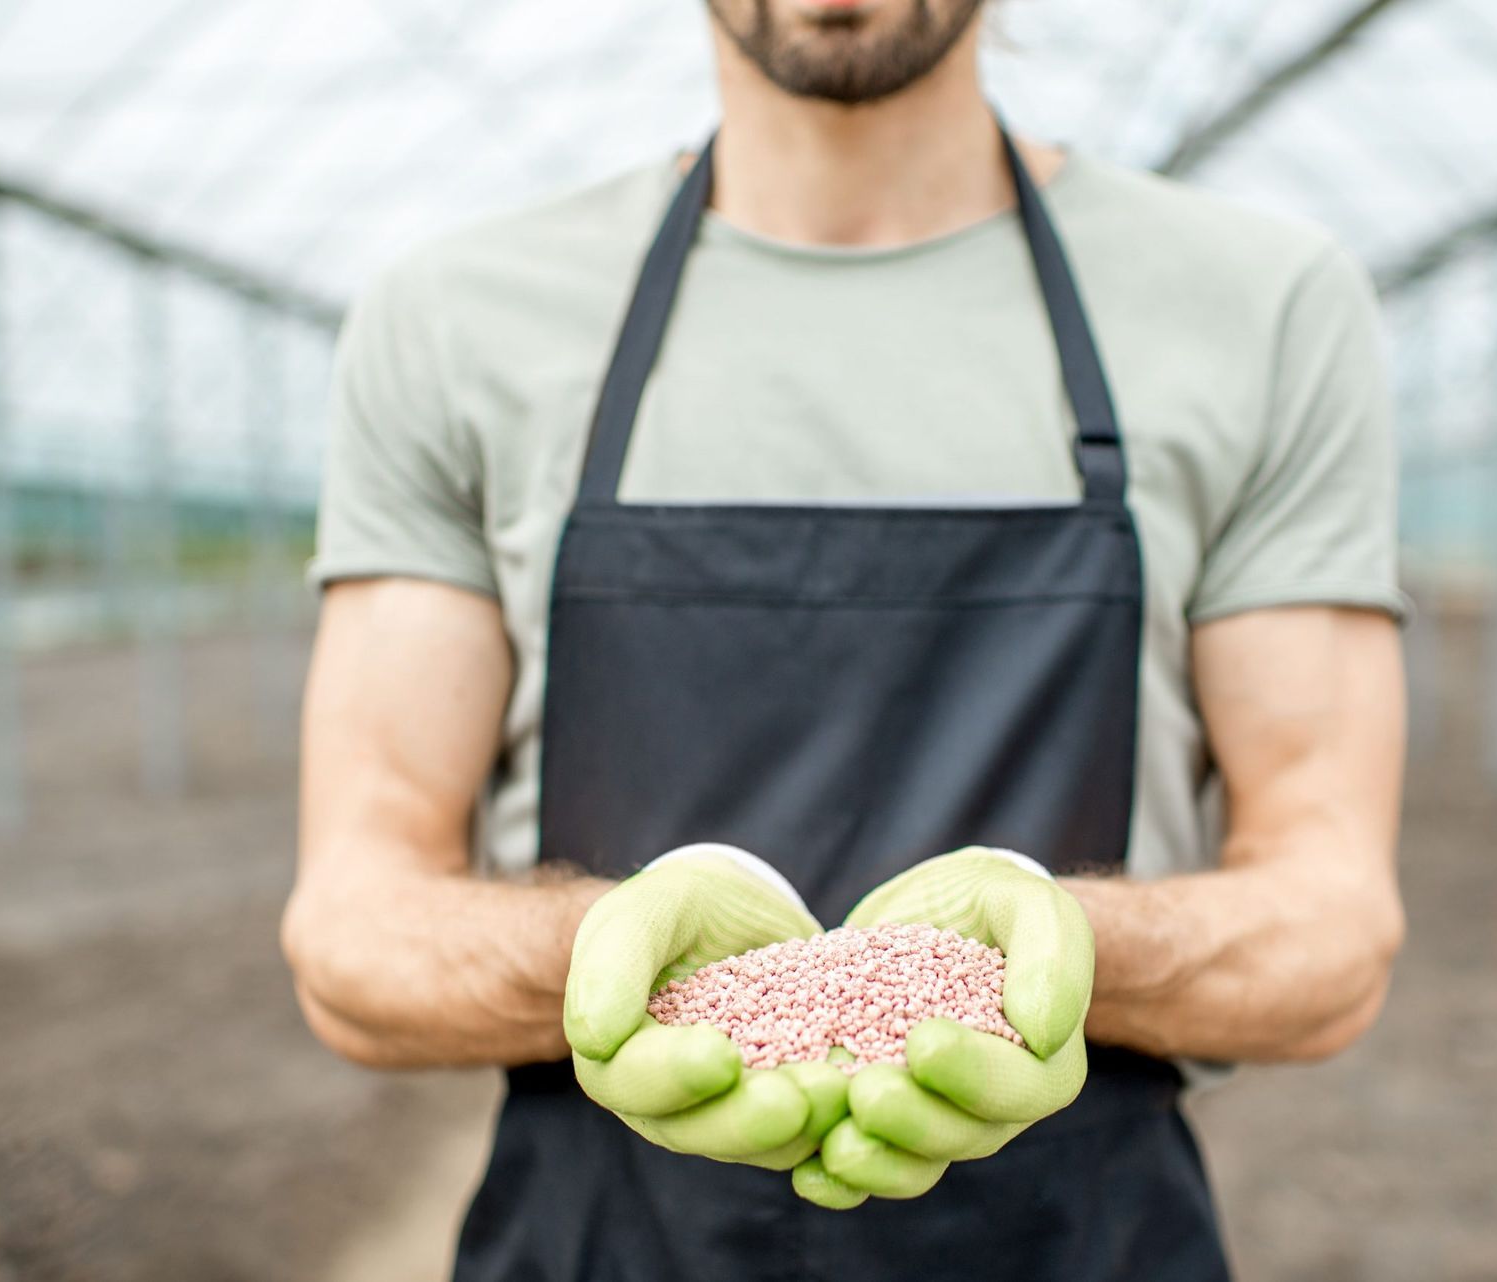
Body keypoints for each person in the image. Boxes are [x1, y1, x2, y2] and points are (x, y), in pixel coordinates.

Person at [283, 0, 1408, 1278]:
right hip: (600, 1237)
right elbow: (352, 928)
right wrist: (603, 951)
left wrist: (1070, 949)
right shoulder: (457, 319)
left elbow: (1333, 925)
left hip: (1083, 1239)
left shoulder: (1258, 306)